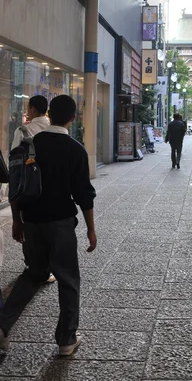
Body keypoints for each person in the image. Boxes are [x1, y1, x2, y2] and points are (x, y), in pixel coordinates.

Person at [0, 95, 97, 356]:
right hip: (61, 223)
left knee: (33, 273)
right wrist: (90, 228)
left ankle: (2, 326)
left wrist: (17, 220)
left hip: (32, 221)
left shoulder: (29, 144)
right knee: (67, 279)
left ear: (49, 114)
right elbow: (83, 193)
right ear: (72, 119)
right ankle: (66, 340)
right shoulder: (75, 149)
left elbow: (17, 186)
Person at [10, 95, 56, 284]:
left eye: (29, 108)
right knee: (49, 227)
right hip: (52, 188)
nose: (28, 112)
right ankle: (48, 268)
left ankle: (32, 265)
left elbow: (14, 165)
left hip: (30, 187)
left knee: (29, 226)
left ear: (34, 109)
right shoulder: (56, 129)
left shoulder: (24, 130)